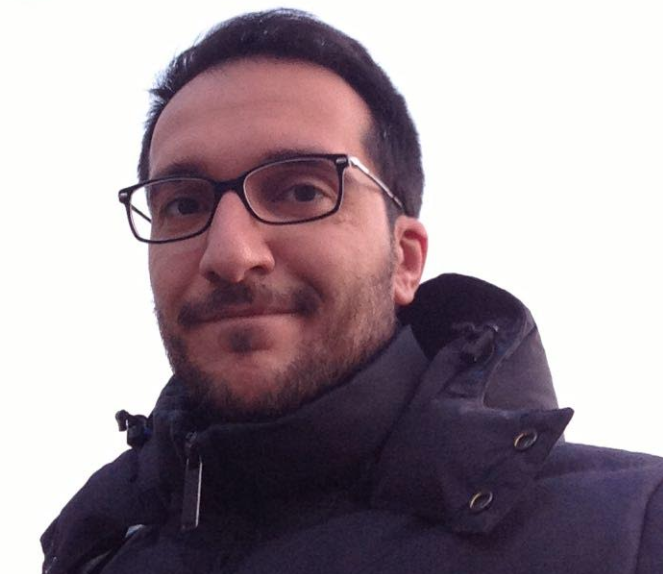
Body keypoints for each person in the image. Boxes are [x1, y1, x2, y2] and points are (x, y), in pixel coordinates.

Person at [41, 9, 662, 574]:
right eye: (183, 204)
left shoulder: (632, 531)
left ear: (405, 260)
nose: (229, 254)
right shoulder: (92, 551)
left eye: (301, 192)